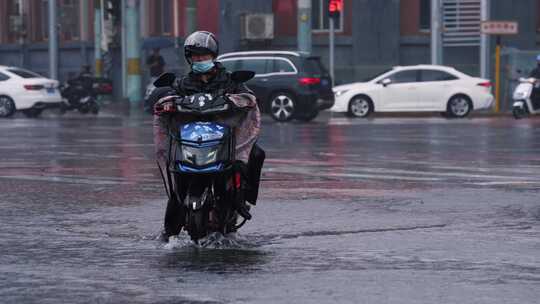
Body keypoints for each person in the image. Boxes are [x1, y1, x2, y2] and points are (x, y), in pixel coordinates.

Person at [153, 31, 265, 242]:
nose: (199, 60)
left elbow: (248, 97)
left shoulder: (229, 82)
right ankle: (169, 231)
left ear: (213, 56)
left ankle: (241, 199)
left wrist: (240, 100)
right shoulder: (183, 84)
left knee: (257, 153)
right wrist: (164, 100)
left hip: (222, 143)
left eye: (203, 56)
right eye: (195, 56)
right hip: (191, 144)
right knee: (178, 189)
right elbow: (163, 97)